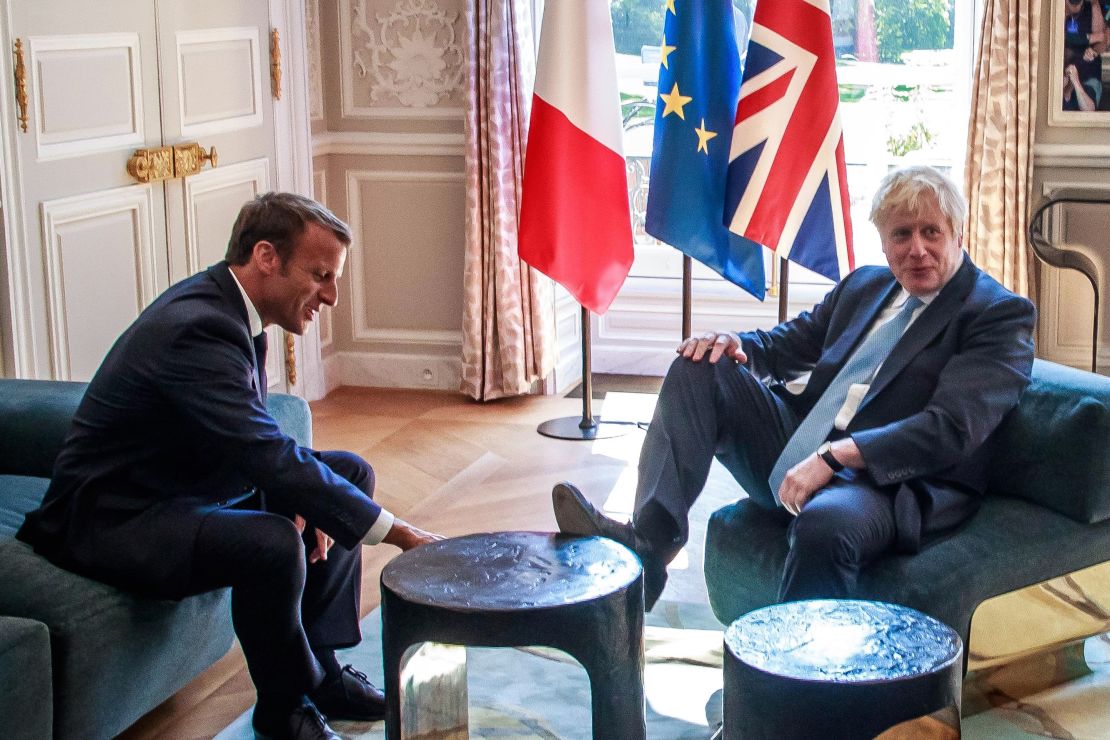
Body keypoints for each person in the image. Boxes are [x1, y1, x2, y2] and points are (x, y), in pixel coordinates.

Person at [17, 193, 440, 740]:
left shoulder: (230, 307)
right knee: (270, 544)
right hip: (115, 519)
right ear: (266, 256)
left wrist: (299, 496)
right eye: (320, 275)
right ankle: (284, 706)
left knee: (349, 473)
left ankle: (326, 674)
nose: (331, 296)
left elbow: (242, 436)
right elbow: (262, 450)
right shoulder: (196, 327)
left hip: (186, 484)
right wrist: (400, 533)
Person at [553, 166, 1036, 610]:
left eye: (932, 232)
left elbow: (950, 429)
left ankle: (796, 681)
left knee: (825, 526)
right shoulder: (866, 286)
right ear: (883, 243)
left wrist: (835, 457)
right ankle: (649, 547)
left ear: (957, 233)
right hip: (801, 441)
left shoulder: (996, 314)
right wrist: (736, 344)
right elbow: (792, 343)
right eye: (901, 235)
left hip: (886, 480)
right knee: (698, 365)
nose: (917, 249)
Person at [1063, 0, 1106, 111]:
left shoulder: (1093, 7)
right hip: (1063, 72)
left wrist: (1094, 4)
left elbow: (1102, 40)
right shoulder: (1057, 8)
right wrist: (1088, 38)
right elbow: (1055, 36)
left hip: (1088, 73)